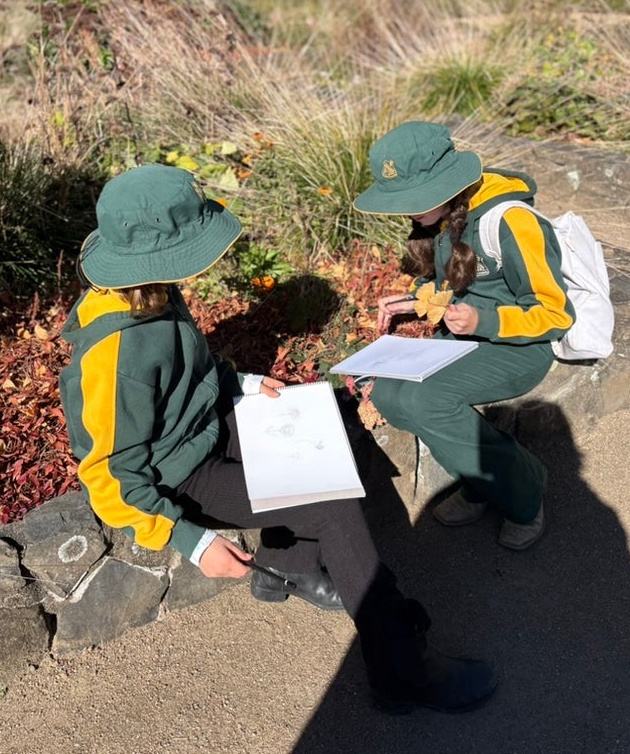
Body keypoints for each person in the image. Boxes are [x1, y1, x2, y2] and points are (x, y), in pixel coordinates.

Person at [59, 163, 497, 714]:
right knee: (330, 504)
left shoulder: (151, 291)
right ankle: (401, 672)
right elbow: (109, 477)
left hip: (210, 423)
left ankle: (287, 571)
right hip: (180, 471)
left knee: (324, 420)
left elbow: (185, 371)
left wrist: (238, 381)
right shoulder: (111, 356)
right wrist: (189, 541)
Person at [354, 121, 574, 550]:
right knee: (387, 395)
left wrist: (483, 323)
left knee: (426, 399)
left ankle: (524, 492)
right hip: (467, 340)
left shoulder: (512, 221)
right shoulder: (443, 215)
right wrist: (418, 298)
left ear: (445, 186)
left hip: (521, 347)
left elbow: (555, 313)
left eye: (411, 201)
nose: (406, 212)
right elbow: (459, 281)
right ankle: (484, 480)